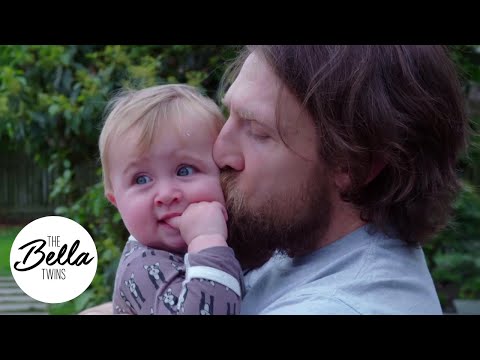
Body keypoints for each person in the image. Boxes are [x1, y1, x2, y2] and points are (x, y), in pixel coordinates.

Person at [81, 45, 467, 315]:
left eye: (258, 131)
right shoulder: (298, 240)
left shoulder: (338, 306)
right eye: (228, 115)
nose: (219, 153)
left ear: (353, 164)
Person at [98, 84, 243, 315]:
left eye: (184, 170)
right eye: (142, 179)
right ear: (117, 203)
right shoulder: (143, 269)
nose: (166, 194)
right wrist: (207, 241)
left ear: (224, 174)